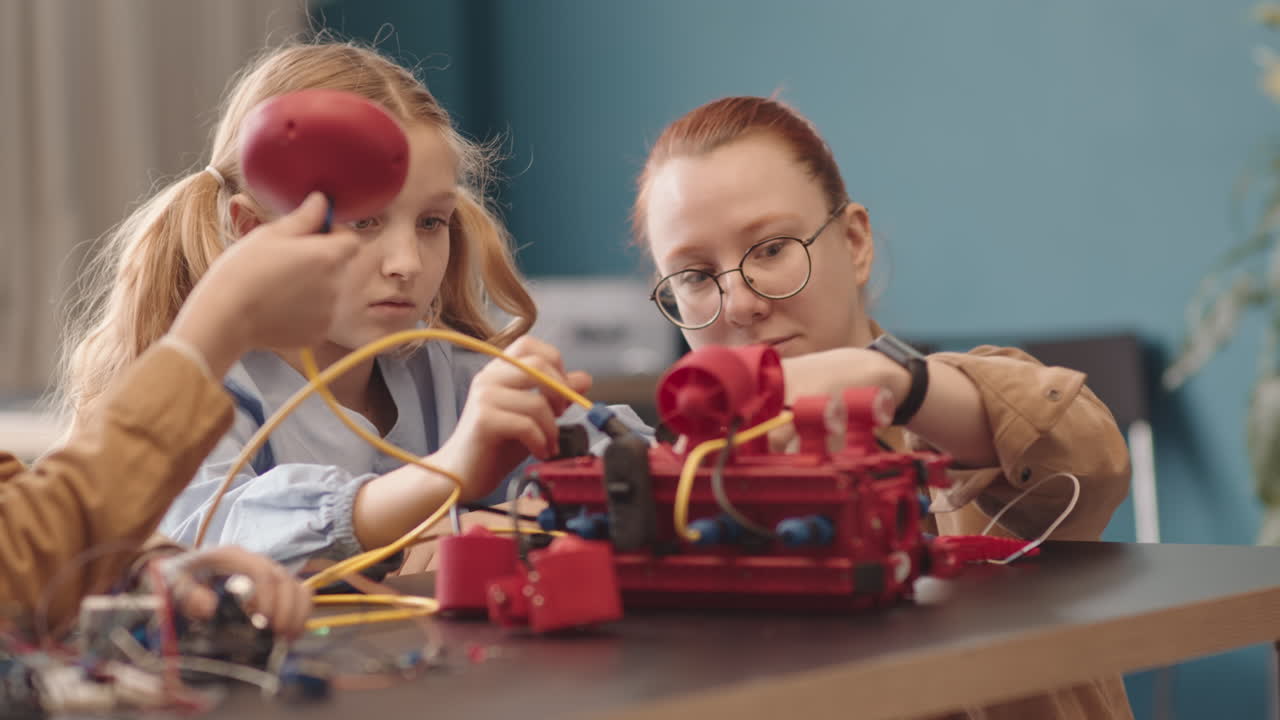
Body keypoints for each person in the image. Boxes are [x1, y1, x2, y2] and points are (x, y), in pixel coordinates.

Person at [632, 95, 1133, 720]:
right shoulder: (675, 487)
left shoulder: (964, 416)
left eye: (770, 249)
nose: (739, 306)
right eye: (696, 277)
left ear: (855, 242)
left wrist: (895, 383)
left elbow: (1092, 455)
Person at [60, 41, 643, 571]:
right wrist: (447, 484)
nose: (407, 263)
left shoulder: (452, 378)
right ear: (251, 228)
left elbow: (643, 468)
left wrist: (553, 502)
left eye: (431, 222)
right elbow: (213, 532)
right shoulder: (209, 398)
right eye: (364, 220)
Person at [5, 194, 351, 636]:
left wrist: (152, 568)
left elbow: (23, 519)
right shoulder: (241, 384)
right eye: (363, 223)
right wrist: (213, 332)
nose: (404, 263)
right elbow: (21, 560)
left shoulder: (445, 365)